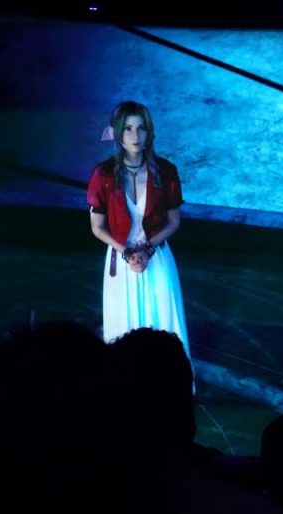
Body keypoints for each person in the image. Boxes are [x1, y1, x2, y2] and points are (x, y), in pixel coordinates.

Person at [86, 101, 192, 366]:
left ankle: (170, 382)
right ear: (117, 132)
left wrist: (147, 249)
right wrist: (127, 253)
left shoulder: (166, 171)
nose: (136, 135)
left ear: (149, 132)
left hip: (156, 257)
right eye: (128, 128)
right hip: (121, 260)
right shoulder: (103, 174)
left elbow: (173, 221)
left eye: (141, 128)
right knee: (123, 329)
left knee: (164, 324)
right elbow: (97, 227)